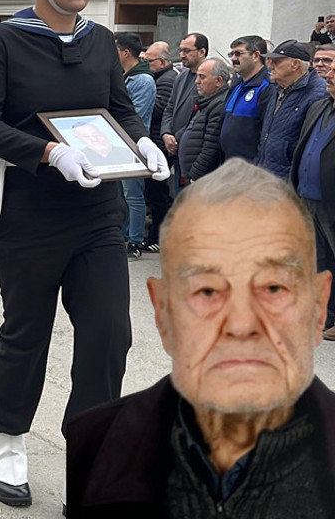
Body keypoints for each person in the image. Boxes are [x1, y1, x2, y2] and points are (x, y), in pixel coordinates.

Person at [0, 0, 170, 509]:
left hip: (97, 211)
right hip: (28, 213)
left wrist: (143, 142)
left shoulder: (101, 40)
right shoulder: (0, 40)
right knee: (26, 333)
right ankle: (6, 443)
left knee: (110, 334)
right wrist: (48, 151)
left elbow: (119, 109)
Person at [66, 159, 335, 515]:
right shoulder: (96, 445)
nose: (240, 325)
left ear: (318, 307)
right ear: (163, 312)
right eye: (208, 291)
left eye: (272, 288)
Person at [292, 43, 335, 339]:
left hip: (332, 200)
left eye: (333, 69)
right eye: (328, 70)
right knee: (319, 261)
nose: (328, 75)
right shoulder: (320, 105)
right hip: (309, 196)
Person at [256, 40, 327, 179]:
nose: (269, 65)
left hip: (291, 183)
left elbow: (312, 145)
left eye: (276, 61)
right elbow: (267, 134)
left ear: (295, 64)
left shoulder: (318, 93)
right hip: (266, 176)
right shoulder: (277, 88)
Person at [114, 32, 155, 260]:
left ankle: (135, 240)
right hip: (121, 144)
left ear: (125, 52)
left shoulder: (143, 80)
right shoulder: (127, 76)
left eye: (115, 50)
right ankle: (124, 234)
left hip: (135, 145)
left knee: (133, 195)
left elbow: (134, 115)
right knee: (122, 193)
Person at [141, 41, 177, 253]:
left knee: (158, 193)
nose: (145, 64)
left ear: (162, 61)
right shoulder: (156, 78)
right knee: (153, 192)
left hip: (158, 142)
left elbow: (159, 109)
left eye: (149, 61)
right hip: (153, 141)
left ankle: (157, 236)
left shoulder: (168, 79)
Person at [161, 33, 208, 191]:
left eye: (187, 51)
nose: (182, 55)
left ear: (202, 52)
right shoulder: (181, 77)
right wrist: (166, 134)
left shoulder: (210, 78)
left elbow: (200, 113)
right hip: (175, 148)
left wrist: (177, 138)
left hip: (194, 151)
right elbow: (169, 108)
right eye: (180, 50)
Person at [176, 56, 231, 185]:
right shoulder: (207, 101)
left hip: (202, 179)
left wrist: (196, 174)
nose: (196, 81)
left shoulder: (218, 105)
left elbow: (211, 146)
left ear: (218, 81)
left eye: (202, 77)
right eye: (197, 76)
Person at [220, 35, 274, 162]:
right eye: (231, 54)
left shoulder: (267, 87)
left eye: (238, 53)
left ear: (256, 56)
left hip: (249, 170)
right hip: (228, 165)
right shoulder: (237, 84)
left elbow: (266, 134)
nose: (233, 59)